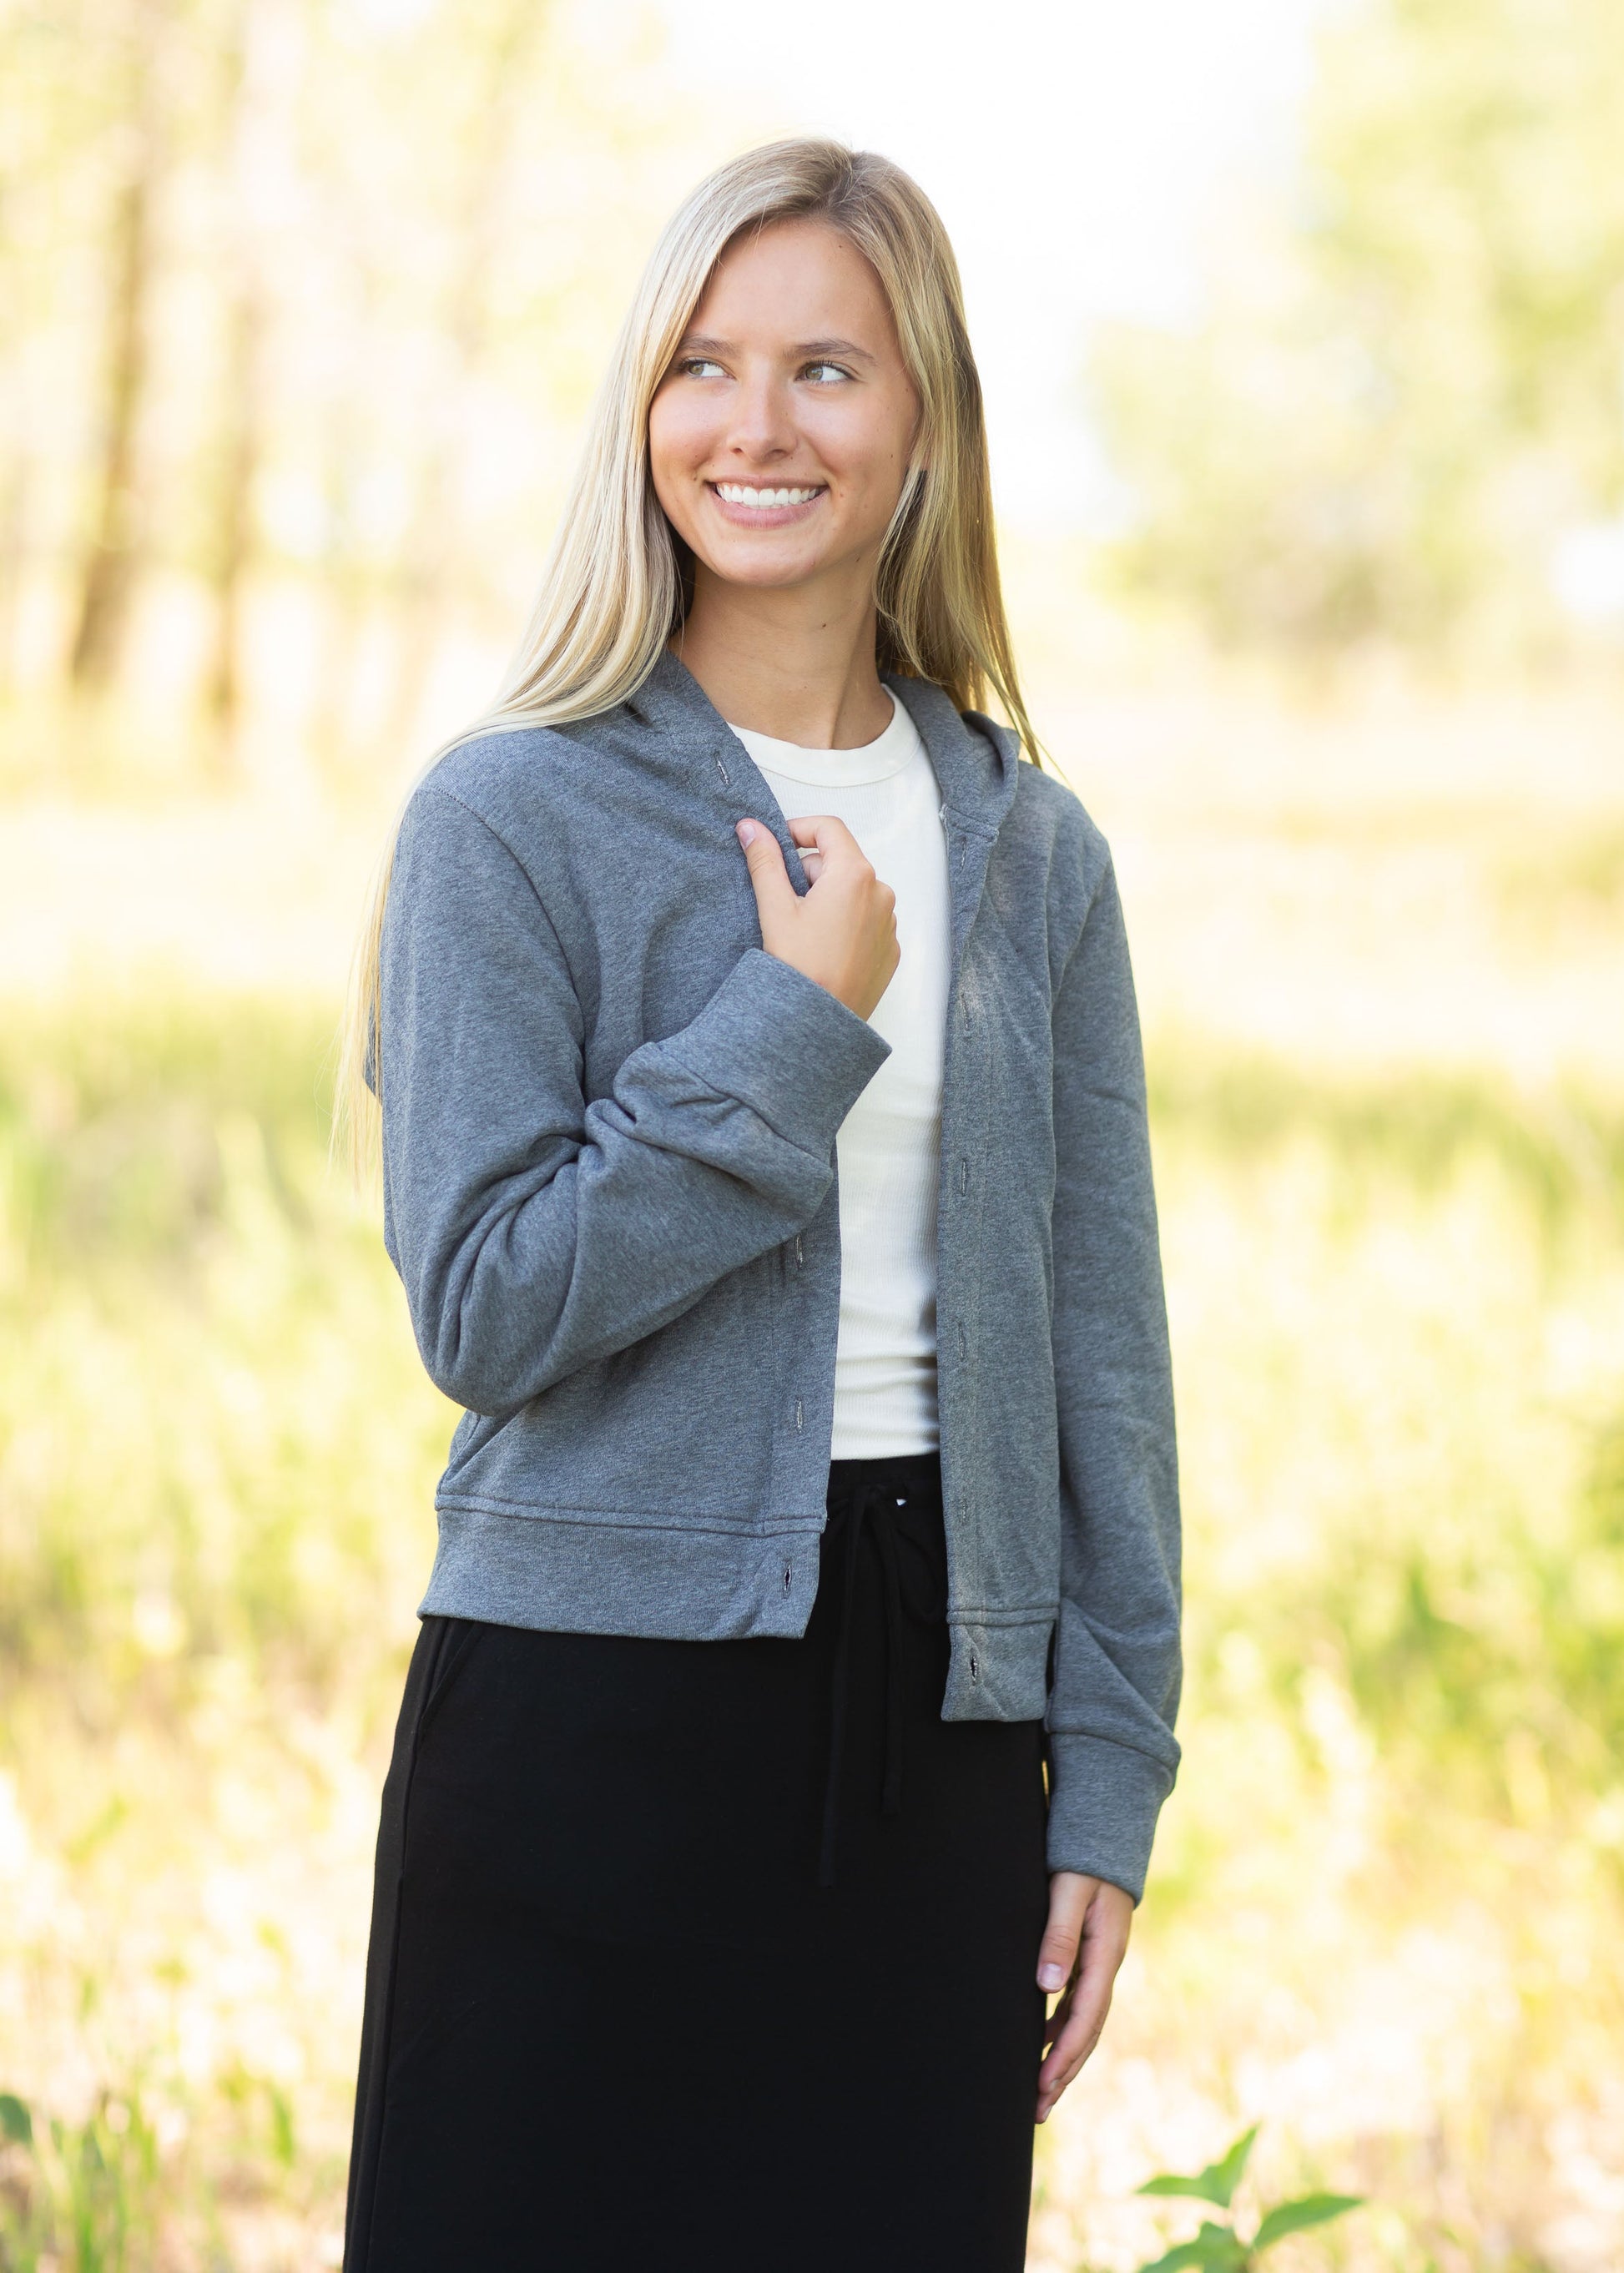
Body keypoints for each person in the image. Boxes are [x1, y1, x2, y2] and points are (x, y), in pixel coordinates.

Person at [338, 136, 1180, 2273]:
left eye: (826, 367)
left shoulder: (1026, 845)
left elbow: (1102, 1340)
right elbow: (487, 1303)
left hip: (936, 1725)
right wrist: (791, 1038)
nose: (755, 425)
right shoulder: (508, 812)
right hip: (584, 1710)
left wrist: (1107, 1769)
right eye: (701, 366)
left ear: (922, 424)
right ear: (640, 414)